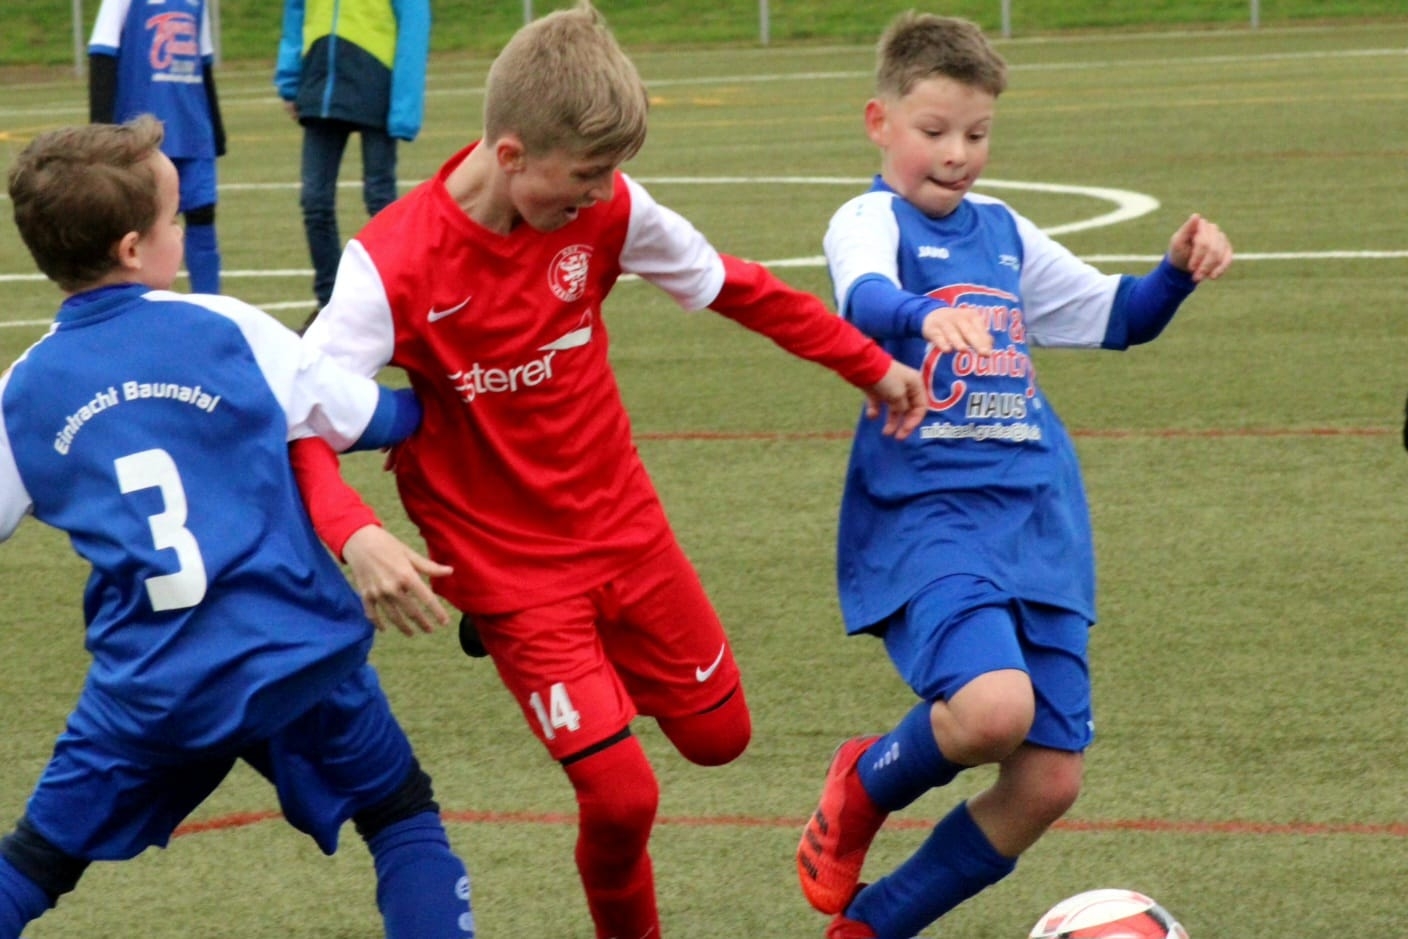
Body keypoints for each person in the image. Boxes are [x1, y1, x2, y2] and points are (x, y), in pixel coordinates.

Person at [290, 4, 965, 936]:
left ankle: (580, 666)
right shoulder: (390, 265)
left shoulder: (609, 206)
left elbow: (738, 287)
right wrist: (356, 533)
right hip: (510, 568)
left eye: (611, 175)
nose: (602, 194)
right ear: (512, 154)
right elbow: (299, 424)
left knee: (721, 738)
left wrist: (870, 364)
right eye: (585, 176)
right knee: (621, 796)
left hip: (625, 533)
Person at [794, 13, 1233, 939]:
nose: (957, 154)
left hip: (1038, 520)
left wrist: (1176, 270)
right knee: (994, 708)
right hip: (930, 511)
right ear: (880, 122)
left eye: (978, 133)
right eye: (934, 130)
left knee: (1047, 778)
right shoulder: (870, 220)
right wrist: (921, 316)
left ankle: (871, 927)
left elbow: (1119, 316)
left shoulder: (1004, 233)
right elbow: (863, 296)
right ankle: (862, 780)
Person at [0, 116, 475, 939]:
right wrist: (446, 395)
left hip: (152, 687)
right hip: (295, 655)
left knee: (32, 864)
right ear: (131, 248)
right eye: (174, 217)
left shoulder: (21, 393)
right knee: (402, 818)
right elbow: (370, 418)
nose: (183, 229)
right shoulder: (226, 326)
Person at [275, 0, 431, 328]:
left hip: (376, 82)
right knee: (315, 202)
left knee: (379, 199)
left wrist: (405, 107)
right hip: (321, 85)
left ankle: (395, 300)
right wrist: (290, 79)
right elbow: (296, 12)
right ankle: (330, 307)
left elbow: (414, 25)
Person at [89, 0, 225, 294]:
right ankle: (141, 301)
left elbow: (204, 64)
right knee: (139, 224)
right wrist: (101, 130)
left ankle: (209, 300)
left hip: (194, 130)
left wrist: (216, 130)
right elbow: (102, 54)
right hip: (142, 134)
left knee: (203, 214)